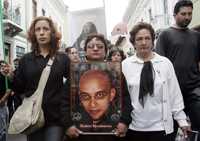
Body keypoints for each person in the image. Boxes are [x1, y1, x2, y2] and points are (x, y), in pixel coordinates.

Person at [2, 16, 71, 141]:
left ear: (52, 33)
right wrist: (11, 75)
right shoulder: (25, 59)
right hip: (32, 117)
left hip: (55, 118)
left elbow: (72, 84)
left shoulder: (63, 58)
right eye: (38, 29)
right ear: (34, 34)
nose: (42, 32)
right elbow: (19, 88)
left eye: (46, 29)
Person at [122, 22, 190, 141]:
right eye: (139, 39)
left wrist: (181, 120)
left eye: (147, 38)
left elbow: (174, 93)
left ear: (153, 40)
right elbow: (121, 97)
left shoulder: (165, 63)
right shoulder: (124, 65)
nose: (144, 42)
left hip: (162, 128)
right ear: (133, 42)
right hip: (134, 128)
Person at [66, 33, 132, 141]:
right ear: (85, 51)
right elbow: (65, 101)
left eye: (100, 46)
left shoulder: (116, 73)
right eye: (91, 46)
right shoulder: (76, 73)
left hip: (111, 133)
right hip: (81, 133)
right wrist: (68, 125)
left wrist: (124, 122)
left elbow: (126, 99)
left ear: (106, 51)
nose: (95, 49)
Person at [156, 0, 200, 140]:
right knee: (171, 131)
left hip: (194, 89)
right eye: (183, 14)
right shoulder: (165, 35)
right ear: (175, 15)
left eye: (189, 14)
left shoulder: (196, 36)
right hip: (172, 92)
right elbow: (159, 64)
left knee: (197, 127)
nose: (187, 17)